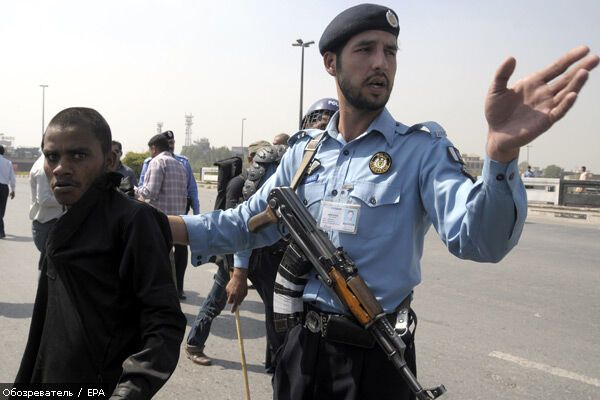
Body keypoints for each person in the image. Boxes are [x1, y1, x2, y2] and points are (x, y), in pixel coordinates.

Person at [169, 4, 598, 399]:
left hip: (376, 358)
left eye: (391, 52)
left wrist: (500, 157)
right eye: (366, 50)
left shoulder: (421, 151)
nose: (381, 62)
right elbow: (244, 223)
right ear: (330, 63)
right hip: (301, 349)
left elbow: (480, 241)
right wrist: (158, 224)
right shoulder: (304, 153)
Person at [14, 107, 186, 398]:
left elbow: (164, 321)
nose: (60, 168)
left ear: (109, 161)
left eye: (78, 155)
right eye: (52, 156)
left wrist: (130, 389)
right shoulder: (67, 220)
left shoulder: (133, 221)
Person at [185, 139, 287, 373]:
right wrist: (235, 271)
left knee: (274, 308)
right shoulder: (237, 185)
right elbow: (235, 228)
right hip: (233, 255)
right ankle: (194, 344)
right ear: (252, 160)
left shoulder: (269, 184)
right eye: (260, 159)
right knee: (216, 302)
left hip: (261, 252)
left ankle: (273, 360)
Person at [139, 130, 199, 299]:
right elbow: (188, 192)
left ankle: (161, 296)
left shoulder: (157, 162)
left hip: (158, 221)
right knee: (169, 261)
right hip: (177, 223)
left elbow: (150, 191)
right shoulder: (179, 165)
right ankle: (172, 293)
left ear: (154, 148)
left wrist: (134, 191)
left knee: (156, 262)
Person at [29, 153, 64, 267]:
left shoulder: (49, 164)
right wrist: (69, 198)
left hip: (49, 222)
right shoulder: (44, 169)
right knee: (49, 267)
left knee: (50, 266)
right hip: (47, 224)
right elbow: (44, 200)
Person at [0, 144, 16, 239]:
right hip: (4, 188)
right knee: (1, 210)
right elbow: (12, 178)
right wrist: (13, 190)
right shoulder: (8, 162)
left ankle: (1, 231)